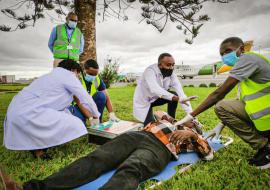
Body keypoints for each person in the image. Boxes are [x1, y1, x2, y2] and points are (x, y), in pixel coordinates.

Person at [0, 111, 212, 190]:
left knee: (132, 169)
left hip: (161, 148)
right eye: (190, 120)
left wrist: (192, 135)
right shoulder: (171, 121)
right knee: (96, 158)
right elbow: (158, 111)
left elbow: (208, 153)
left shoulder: (195, 137)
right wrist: (172, 120)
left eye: (194, 122)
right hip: (137, 136)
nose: (190, 121)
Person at [175, 37, 270, 169]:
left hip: (267, 120)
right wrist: (221, 124)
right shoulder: (244, 69)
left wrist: (190, 115)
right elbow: (242, 102)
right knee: (222, 107)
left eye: (228, 51)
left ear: (241, 49)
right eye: (222, 54)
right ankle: (265, 146)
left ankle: (267, 149)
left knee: (220, 104)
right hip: (263, 120)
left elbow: (218, 94)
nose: (225, 56)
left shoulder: (248, 59)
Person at [3, 60, 100, 159]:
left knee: (65, 115)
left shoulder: (50, 76)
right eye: (78, 75)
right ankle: (41, 147)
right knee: (76, 123)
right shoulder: (68, 75)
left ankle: (38, 149)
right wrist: (96, 116)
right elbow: (85, 98)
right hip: (29, 112)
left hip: (15, 111)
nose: (78, 78)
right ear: (74, 70)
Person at [133, 53, 193, 126]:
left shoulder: (172, 74)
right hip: (144, 101)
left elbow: (181, 93)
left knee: (175, 94)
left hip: (156, 98)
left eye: (173, 65)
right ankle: (152, 117)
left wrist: (191, 116)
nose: (171, 67)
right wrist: (177, 98)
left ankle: (171, 120)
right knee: (151, 126)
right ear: (160, 65)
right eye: (168, 65)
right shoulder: (150, 71)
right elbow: (155, 89)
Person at [69, 59, 120, 123]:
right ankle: (87, 119)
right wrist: (90, 117)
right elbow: (79, 102)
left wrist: (111, 114)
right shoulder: (77, 79)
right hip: (77, 105)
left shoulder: (97, 79)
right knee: (79, 122)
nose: (93, 76)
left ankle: (98, 120)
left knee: (101, 96)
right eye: (90, 74)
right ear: (84, 70)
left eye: (95, 74)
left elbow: (106, 97)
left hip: (90, 104)